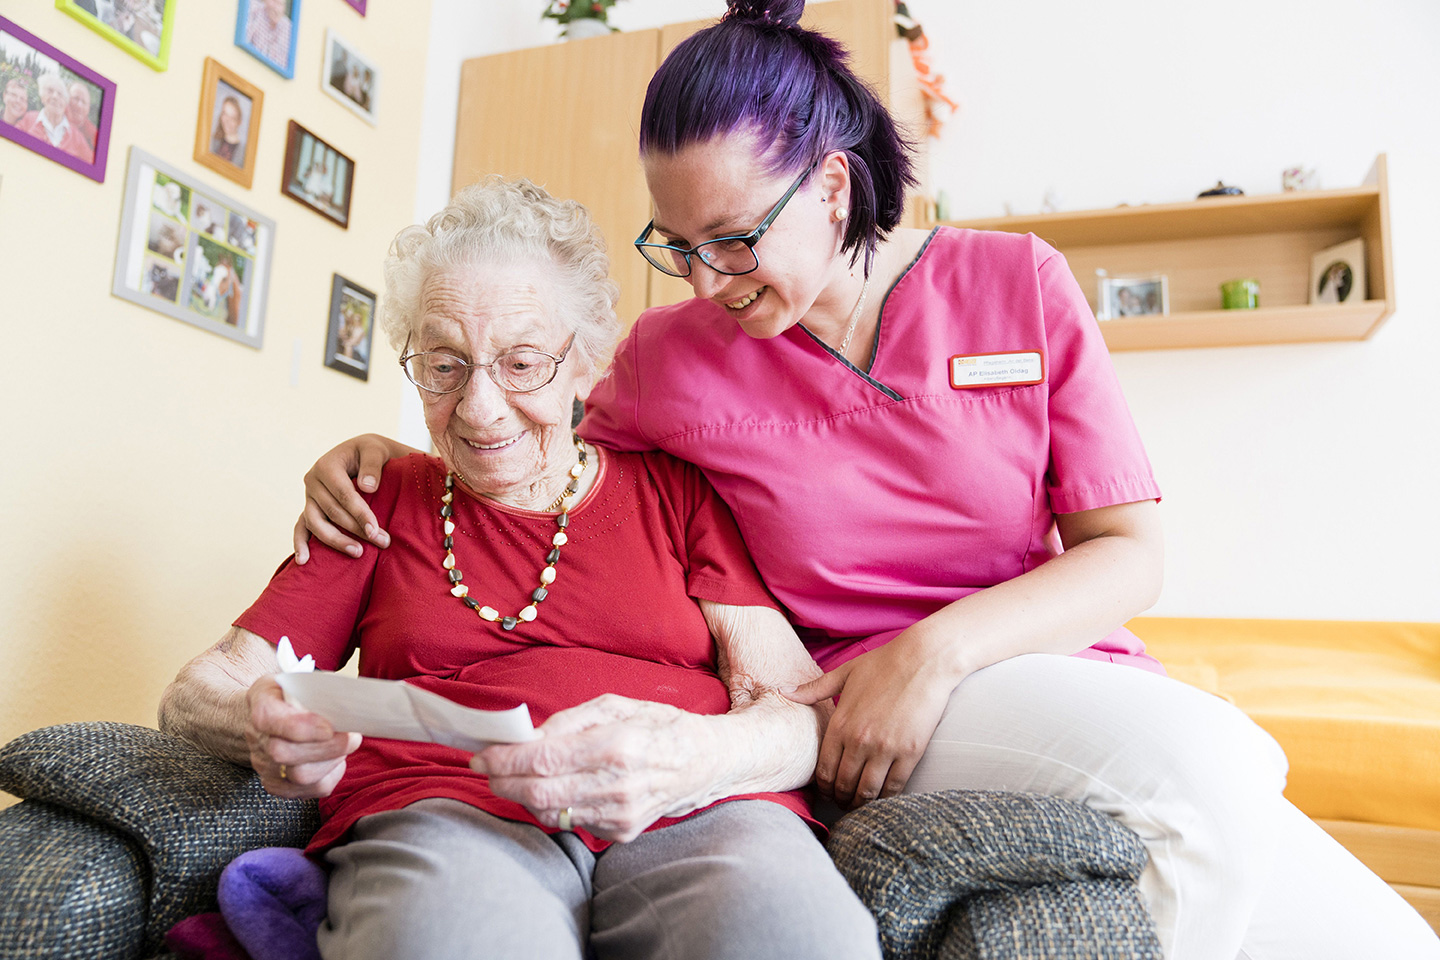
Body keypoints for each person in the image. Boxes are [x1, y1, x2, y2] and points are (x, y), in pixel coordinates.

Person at [297, 3, 1440, 957]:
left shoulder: (1019, 283)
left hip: (1011, 667)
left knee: (1384, 936)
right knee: (1216, 762)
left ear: (836, 191)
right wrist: (387, 456)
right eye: (676, 244)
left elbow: (1128, 552)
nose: (704, 278)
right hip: (843, 710)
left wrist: (934, 651)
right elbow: (529, 448)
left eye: (733, 238)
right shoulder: (668, 355)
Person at [160, 176, 881, 960]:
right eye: (443, 366)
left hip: (695, 805)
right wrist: (257, 723)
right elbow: (197, 693)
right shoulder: (378, 500)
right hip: (446, 808)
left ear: (585, 364)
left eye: (523, 363)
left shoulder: (675, 494)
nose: (479, 408)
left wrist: (691, 760)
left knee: (797, 939)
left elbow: (800, 712)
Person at [20, 73, 91, 162]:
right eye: (50, 91)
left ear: (66, 103)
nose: (55, 96)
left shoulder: (77, 137)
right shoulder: (28, 119)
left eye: (60, 94)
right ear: (42, 97)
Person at [245, 0, 291, 67]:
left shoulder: (287, 27)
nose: (277, 9)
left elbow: (281, 65)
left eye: (281, 4)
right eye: (274, 1)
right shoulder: (254, 9)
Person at [66, 81, 97, 161]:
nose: (79, 105)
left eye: (84, 102)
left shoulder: (94, 135)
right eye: (76, 98)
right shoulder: (53, 117)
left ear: (88, 109)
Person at [210, 95, 244, 165]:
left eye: (232, 118)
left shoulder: (243, 153)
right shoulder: (212, 141)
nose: (227, 121)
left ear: (239, 121)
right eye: (225, 114)